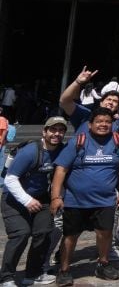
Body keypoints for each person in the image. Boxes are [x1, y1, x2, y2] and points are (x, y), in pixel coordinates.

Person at [49, 107, 119, 286]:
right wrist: (56, 197)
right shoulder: (78, 141)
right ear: (90, 124)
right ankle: (64, 269)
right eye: (99, 121)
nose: (103, 124)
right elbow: (61, 169)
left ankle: (103, 263)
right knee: (70, 235)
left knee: (105, 233)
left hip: (105, 200)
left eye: (107, 122)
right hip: (75, 200)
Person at [1, 116, 67, 287]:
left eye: (61, 130)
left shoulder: (62, 150)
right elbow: (10, 179)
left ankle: (33, 273)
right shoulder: (30, 151)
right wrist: (27, 200)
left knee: (44, 232)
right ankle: (6, 277)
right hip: (14, 198)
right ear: (44, 132)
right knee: (21, 234)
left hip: (41, 198)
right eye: (53, 129)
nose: (57, 134)